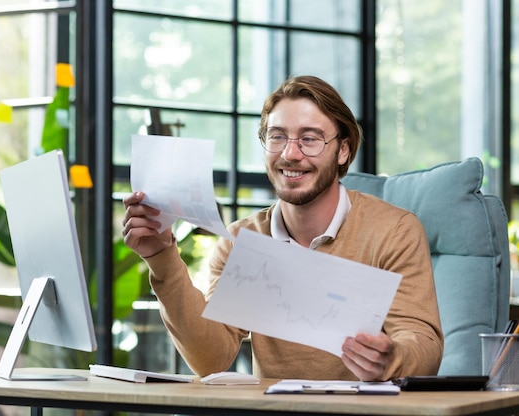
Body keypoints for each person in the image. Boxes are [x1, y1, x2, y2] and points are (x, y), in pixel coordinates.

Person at [122, 75, 443, 381]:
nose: (290, 154)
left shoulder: (395, 232)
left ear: (343, 149)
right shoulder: (240, 241)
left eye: (310, 139)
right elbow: (210, 360)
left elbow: (423, 345)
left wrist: (393, 359)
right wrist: (161, 257)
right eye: (277, 137)